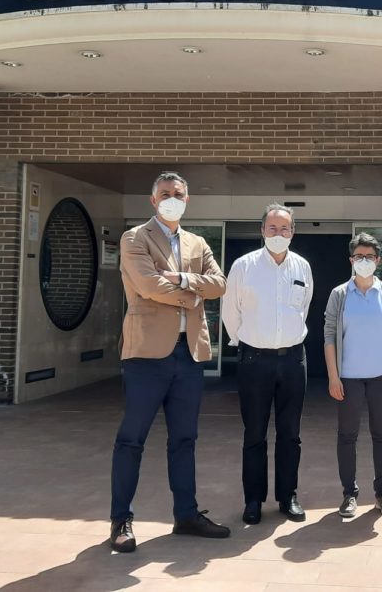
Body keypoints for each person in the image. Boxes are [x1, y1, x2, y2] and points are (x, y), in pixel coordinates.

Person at [110, 171, 230, 553]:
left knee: (184, 439)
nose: (171, 199)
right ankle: (121, 520)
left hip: (188, 354)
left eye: (178, 194)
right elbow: (147, 285)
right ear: (153, 200)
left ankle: (186, 515)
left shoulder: (198, 242)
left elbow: (219, 284)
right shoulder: (135, 238)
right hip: (146, 354)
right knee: (132, 439)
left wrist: (179, 278)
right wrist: (192, 293)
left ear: (187, 200)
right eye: (164, 194)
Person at [221, 203, 314, 525]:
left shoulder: (302, 267)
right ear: (262, 231)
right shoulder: (243, 266)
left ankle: (288, 496)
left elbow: (303, 308)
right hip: (254, 360)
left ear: (293, 232)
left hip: (293, 360)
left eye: (284, 228)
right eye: (272, 228)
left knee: (290, 434)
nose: (278, 233)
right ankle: (253, 500)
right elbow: (230, 312)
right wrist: (248, 340)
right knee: (254, 434)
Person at [323, 232, 382, 518]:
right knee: (347, 436)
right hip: (348, 379)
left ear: (378, 260)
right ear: (351, 260)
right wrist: (333, 377)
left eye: (369, 257)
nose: (364, 261)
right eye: (359, 256)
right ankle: (349, 494)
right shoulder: (339, 294)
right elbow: (329, 337)